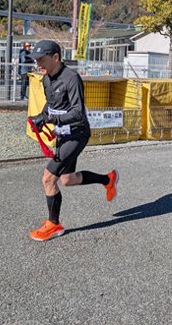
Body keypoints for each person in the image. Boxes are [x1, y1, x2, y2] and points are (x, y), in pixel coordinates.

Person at [27, 40, 118, 241]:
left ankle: (54, 225)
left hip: (77, 134)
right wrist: (41, 117)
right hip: (62, 134)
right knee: (68, 180)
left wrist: (52, 119)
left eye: (41, 59)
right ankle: (107, 179)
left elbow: (78, 113)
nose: (38, 64)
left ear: (56, 58)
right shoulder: (46, 79)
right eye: (36, 60)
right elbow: (51, 106)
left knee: (48, 178)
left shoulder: (71, 78)